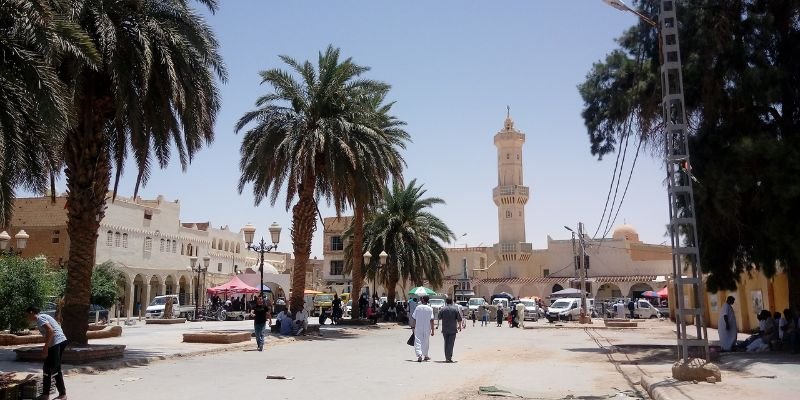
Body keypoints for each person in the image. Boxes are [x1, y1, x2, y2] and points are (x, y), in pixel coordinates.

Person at [27, 306, 68, 400]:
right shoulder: (43, 317)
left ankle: (60, 394)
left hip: (56, 342)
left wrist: (45, 349)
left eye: (27, 315)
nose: (27, 318)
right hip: (60, 341)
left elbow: (50, 331)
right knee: (52, 368)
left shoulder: (39, 318)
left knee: (51, 368)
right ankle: (48, 394)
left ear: (31, 312)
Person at [437, 298, 462, 363]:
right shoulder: (455, 309)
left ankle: (447, 357)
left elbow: (439, 317)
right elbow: (459, 319)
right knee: (451, 344)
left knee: (446, 343)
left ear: (446, 302)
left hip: (445, 329)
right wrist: (459, 326)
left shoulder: (443, 309)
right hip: (453, 329)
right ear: (452, 302)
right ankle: (449, 357)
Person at [412, 296, 435, 362]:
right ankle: (425, 355)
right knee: (426, 341)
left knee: (418, 341)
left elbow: (414, 318)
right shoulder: (430, 309)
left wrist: (413, 327)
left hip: (418, 327)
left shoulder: (418, 307)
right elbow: (432, 320)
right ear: (428, 300)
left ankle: (419, 355)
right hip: (427, 327)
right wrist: (433, 330)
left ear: (422, 300)